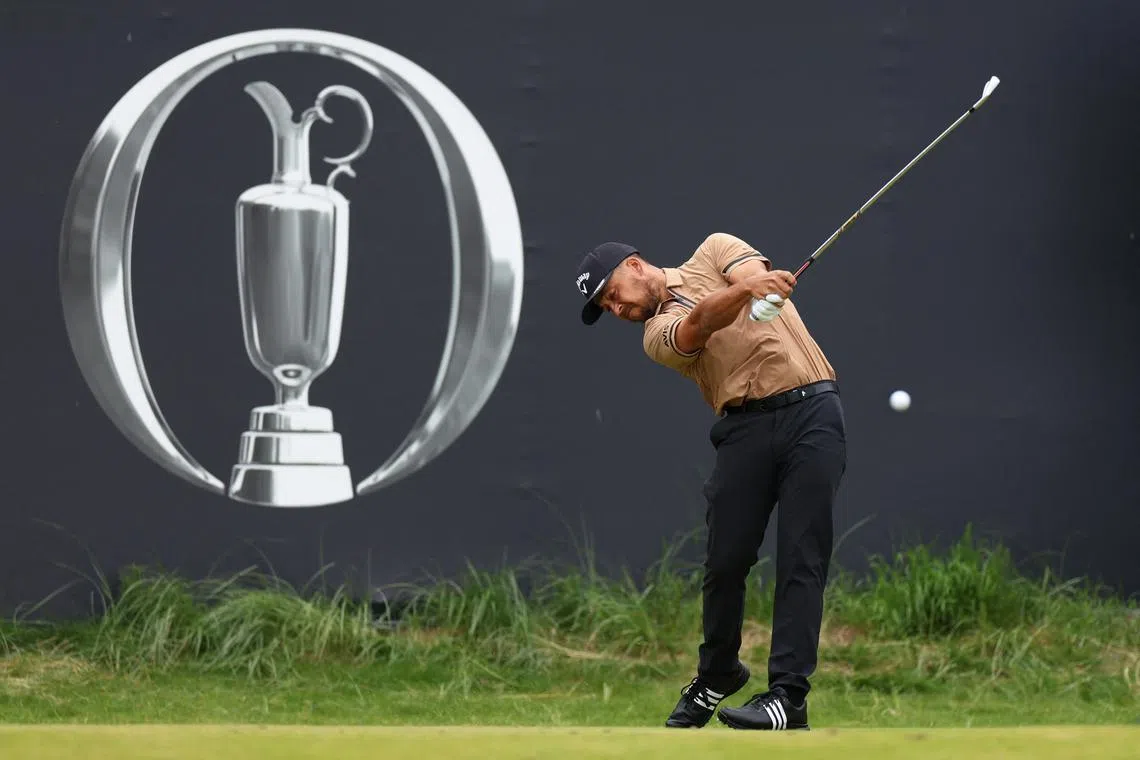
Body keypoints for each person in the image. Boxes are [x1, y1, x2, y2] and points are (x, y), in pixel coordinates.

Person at [574, 232, 847, 731]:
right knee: (725, 562)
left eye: (612, 293)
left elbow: (748, 275)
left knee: (802, 558)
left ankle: (788, 697)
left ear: (635, 265)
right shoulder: (656, 336)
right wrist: (749, 293)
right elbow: (699, 323)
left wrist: (760, 287)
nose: (615, 308)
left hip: (815, 413)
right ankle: (719, 672)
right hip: (745, 429)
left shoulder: (714, 249)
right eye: (605, 307)